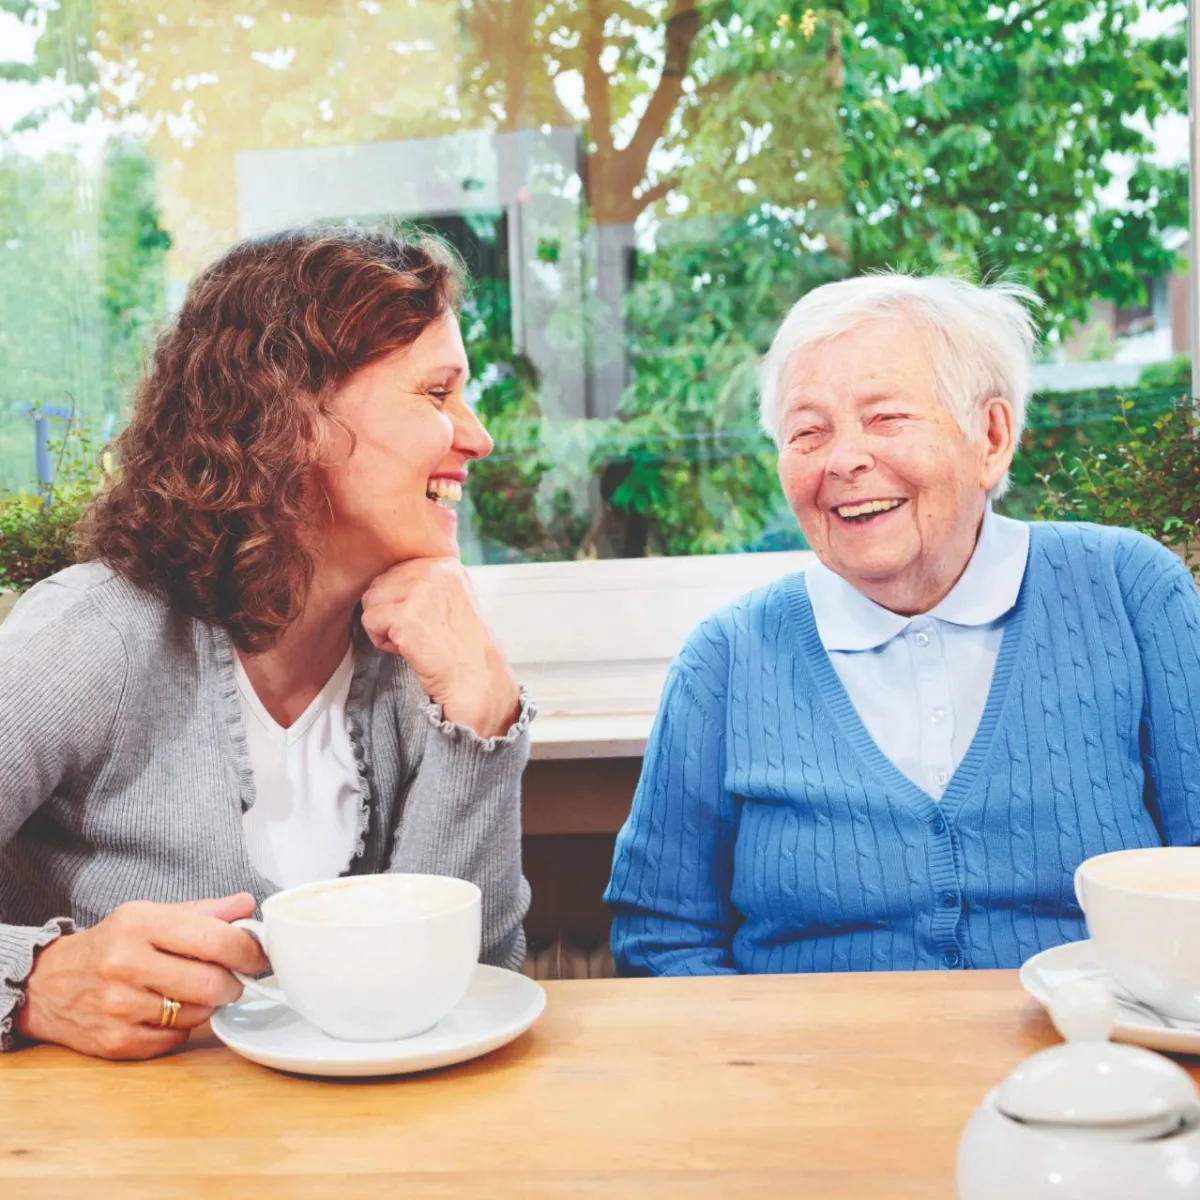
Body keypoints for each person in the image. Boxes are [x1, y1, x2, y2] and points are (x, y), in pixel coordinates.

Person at [0, 225, 533, 1057]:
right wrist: (32, 982)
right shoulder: (90, 639)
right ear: (293, 415)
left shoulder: (416, 662)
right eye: (437, 393)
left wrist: (484, 712)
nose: (477, 435)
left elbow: (475, 981)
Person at [606, 272, 1200, 976]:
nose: (844, 460)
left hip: (1090, 1067)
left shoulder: (1133, 595)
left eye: (886, 418)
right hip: (814, 1078)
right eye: (807, 431)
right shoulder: (727, 659)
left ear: (991, 436)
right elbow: (661, 940)